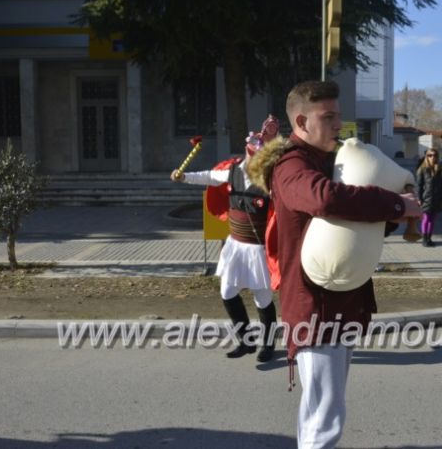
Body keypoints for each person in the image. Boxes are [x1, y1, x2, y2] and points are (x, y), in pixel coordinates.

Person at [248, 81, 421, 448]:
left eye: (338, 116)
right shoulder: (291, 164)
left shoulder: (329, 161)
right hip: (314, 306)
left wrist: (394, 214)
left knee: (322, 411)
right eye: (328, 117)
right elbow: (324, 199)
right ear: (301, 121)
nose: (338, 125)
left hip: (338, 301)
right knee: (325, 417)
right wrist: (395, 205)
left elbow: (352, 221)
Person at [170, 115, 279, 362]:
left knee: (262, 298)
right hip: (235, 246)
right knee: (228, 291)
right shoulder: (232, 171)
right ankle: (246, 341)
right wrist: (184, 177)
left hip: (258, 249)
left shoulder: (273, 181)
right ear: (248, 153)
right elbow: (209, 176)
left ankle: (269, 345)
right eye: (254, 156)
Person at [415, 148, 442, 247]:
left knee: (433, 219)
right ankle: (424, 239)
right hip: (426, 199)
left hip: (437, 199)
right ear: (426, 157)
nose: (432, 157)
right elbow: (419, 186)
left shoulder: (440, 169)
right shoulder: (422, 170)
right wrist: (419, 198)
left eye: (434, 155)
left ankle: (429, 238)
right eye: (430, 155)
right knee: (426, 218)